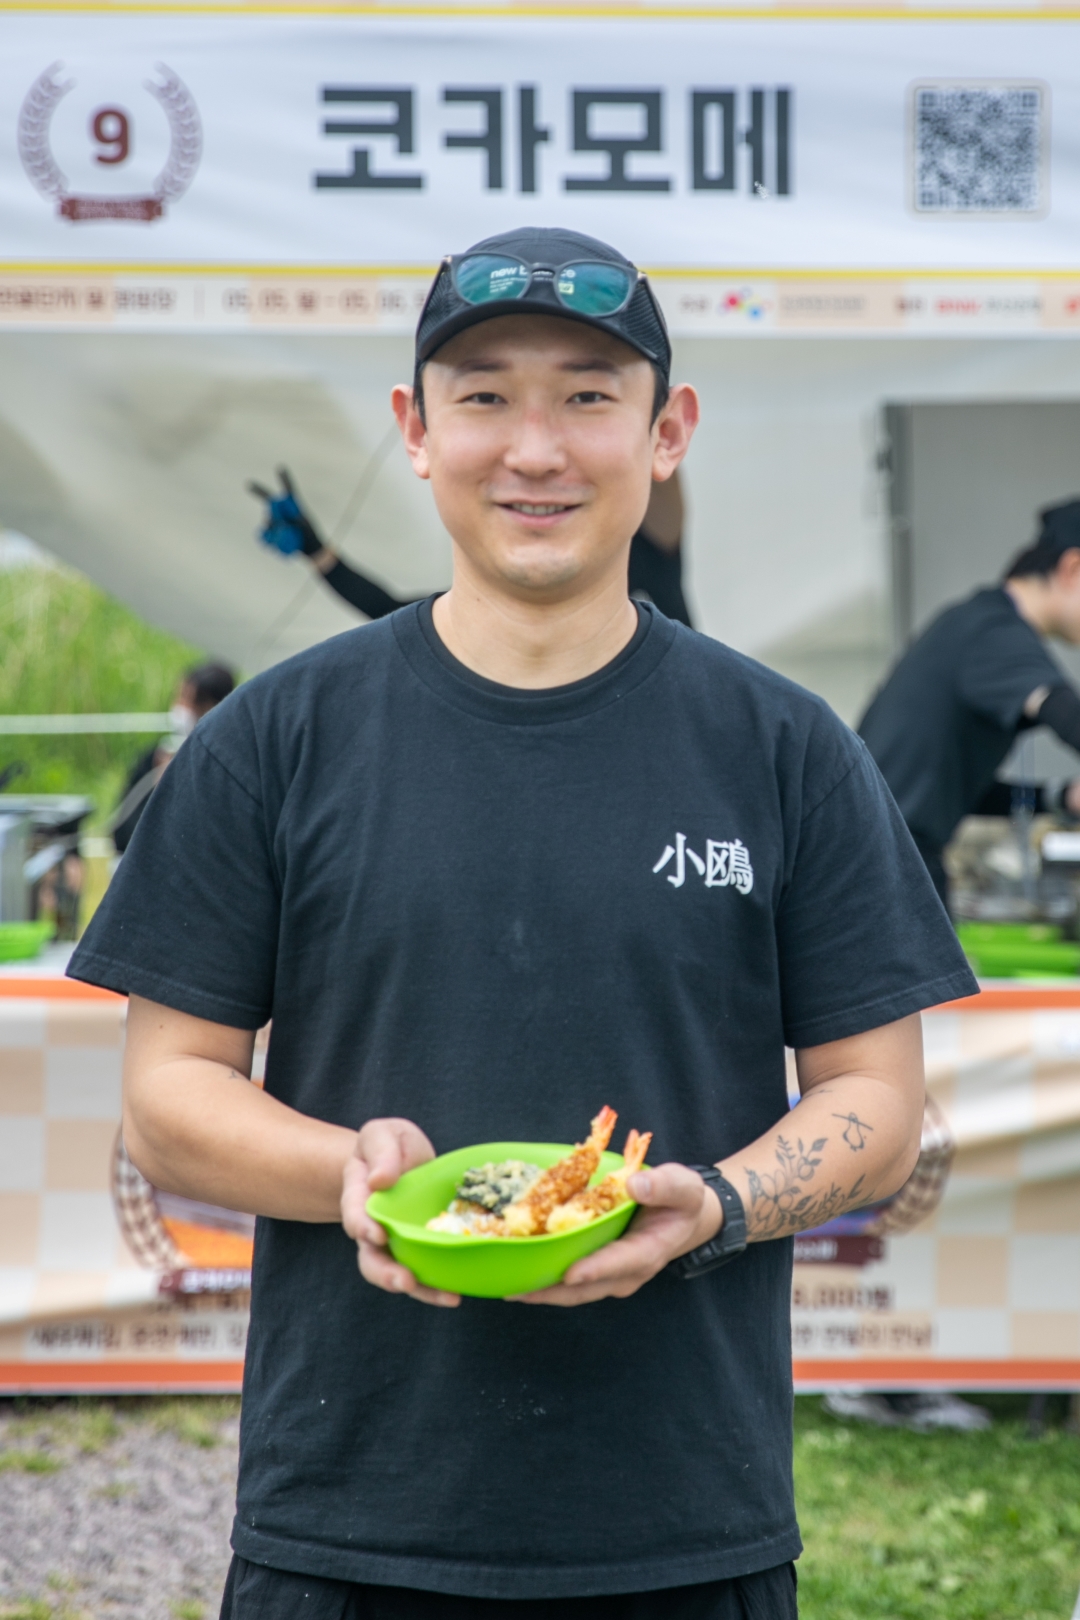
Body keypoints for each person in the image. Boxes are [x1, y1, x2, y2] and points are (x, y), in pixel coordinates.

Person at [68, 225, 976, 1620]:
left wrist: (715, 1207)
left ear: (667, 433)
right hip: (345, 1525)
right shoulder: (275, 740)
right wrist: (347, 1172)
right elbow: (166, 1098)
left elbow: (880, 1104)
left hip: (687, 1523)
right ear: (415, 430)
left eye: (588, 397)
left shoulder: (785, 748)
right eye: (485, 395)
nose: (535, 449)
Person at [858, 499, 1080, 912]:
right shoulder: (993, 632)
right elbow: (1067, 715)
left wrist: (1062, 797)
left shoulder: (978, 624)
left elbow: (959, 790)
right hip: (885, 865)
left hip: (883, 858)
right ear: (1073, 569)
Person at [251, 465, 694, 626]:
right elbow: (387, 610)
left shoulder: (641, 549)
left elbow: (655, 456)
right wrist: (317, 551)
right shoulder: (498, 604)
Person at [111, 663, 235, 853]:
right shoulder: (157, 757)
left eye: (189, 700)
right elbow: (122, 833)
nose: (180, 708)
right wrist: (157, 788)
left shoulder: (229, 767)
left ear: (213, 707)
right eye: (180, 697)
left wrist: (173, 789)